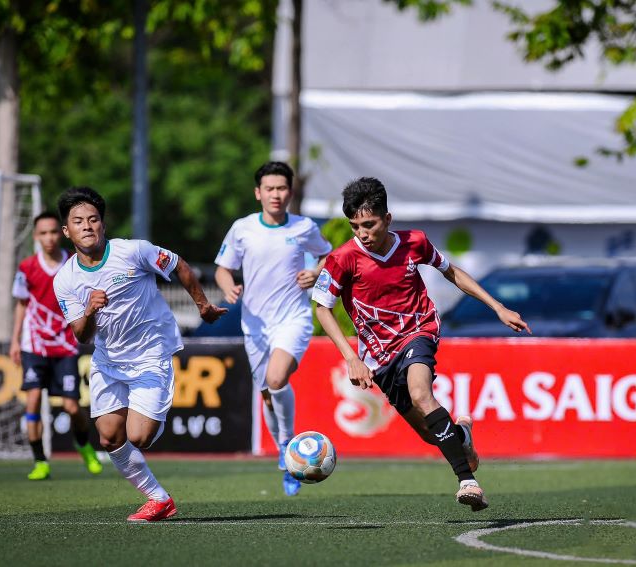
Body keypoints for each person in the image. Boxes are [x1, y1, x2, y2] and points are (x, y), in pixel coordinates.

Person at [311, 177, 530, 511]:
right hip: (378, 355)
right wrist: (351, 358)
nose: (362, 233)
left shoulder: (415, 242)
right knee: (430, 433)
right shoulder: (342, 259)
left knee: (420, 393)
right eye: (355, 226)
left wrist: (497, 307)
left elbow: (452, 272)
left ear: (387, 218)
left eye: (369, 224)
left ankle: (467, 482)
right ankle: (462, 437)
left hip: (419, 330)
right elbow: (322, 308)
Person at [53, 186, 226, 522]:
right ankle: (159, 499)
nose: (87, 225)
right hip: (108, 359)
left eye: (93, 219)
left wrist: (202, 305)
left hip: (151, 353)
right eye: (78, 221)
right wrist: (89, 310)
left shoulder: (133, 251)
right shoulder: (65, 280)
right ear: (67, 231)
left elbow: (179, 265)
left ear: (103, 225)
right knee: (108, 437)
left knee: (139, 436)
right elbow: (82, 335)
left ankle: (154, 409)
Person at [215, 161, 332, 496]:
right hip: (255, 325)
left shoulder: (304, 227)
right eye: (269, 188)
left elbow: (328, 256)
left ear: (290, 192)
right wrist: (228, 287)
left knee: (277, 378)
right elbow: (223, 269)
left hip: (293, 319)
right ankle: (285, 448)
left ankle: (288, 445)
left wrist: (315, 273)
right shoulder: (242, 229)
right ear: (258, 193)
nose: (275, 194)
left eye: (281, 188)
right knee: (267, 395)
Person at [10, 211, 103, 480]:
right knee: (33, 401)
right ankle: (40, 461)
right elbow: (22, 304)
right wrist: (15, 339)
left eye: (53, 232)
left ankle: (84, 446)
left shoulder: (73, 263)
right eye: (43, 233)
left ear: (62, 233)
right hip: (34, 344)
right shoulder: (27, 267)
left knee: (72, 407)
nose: (49, 237)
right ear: (36, 236)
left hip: (65, 345)